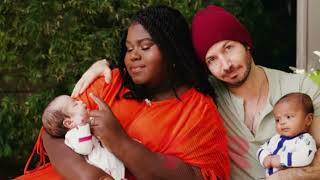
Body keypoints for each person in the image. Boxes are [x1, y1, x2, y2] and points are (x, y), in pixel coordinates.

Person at [72, 5, 320, 180]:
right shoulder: (208, 97)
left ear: (246, 43)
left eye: (229, 48)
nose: (226, 65)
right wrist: (104, 65)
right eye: (212, 59)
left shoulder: (299, 90)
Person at [43, 5, 230, 180]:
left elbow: (196, 175)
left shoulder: (199, 110)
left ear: (173, 51)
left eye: (145, 47)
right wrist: (89, 175)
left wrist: (122, 143)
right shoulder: (111, 81)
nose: (133, 55)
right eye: (129, 48)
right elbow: (51, 131)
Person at [41, 95, 125, 180]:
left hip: (110, 163)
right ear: (69, 123)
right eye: (75, 104)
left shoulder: (82, 128)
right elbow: (85, 148)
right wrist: (83, 125)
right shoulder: (72, 135)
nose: (80, 102)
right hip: (103, 168)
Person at [256, 93, 317, 176]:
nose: (282, 122)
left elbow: (306, 156)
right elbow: (261, 149)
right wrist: (265, 157)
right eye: (277, 120)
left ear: (308, 119)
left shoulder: (305, 140)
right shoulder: (276, 138)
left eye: (288, 117)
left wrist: (281, 159)